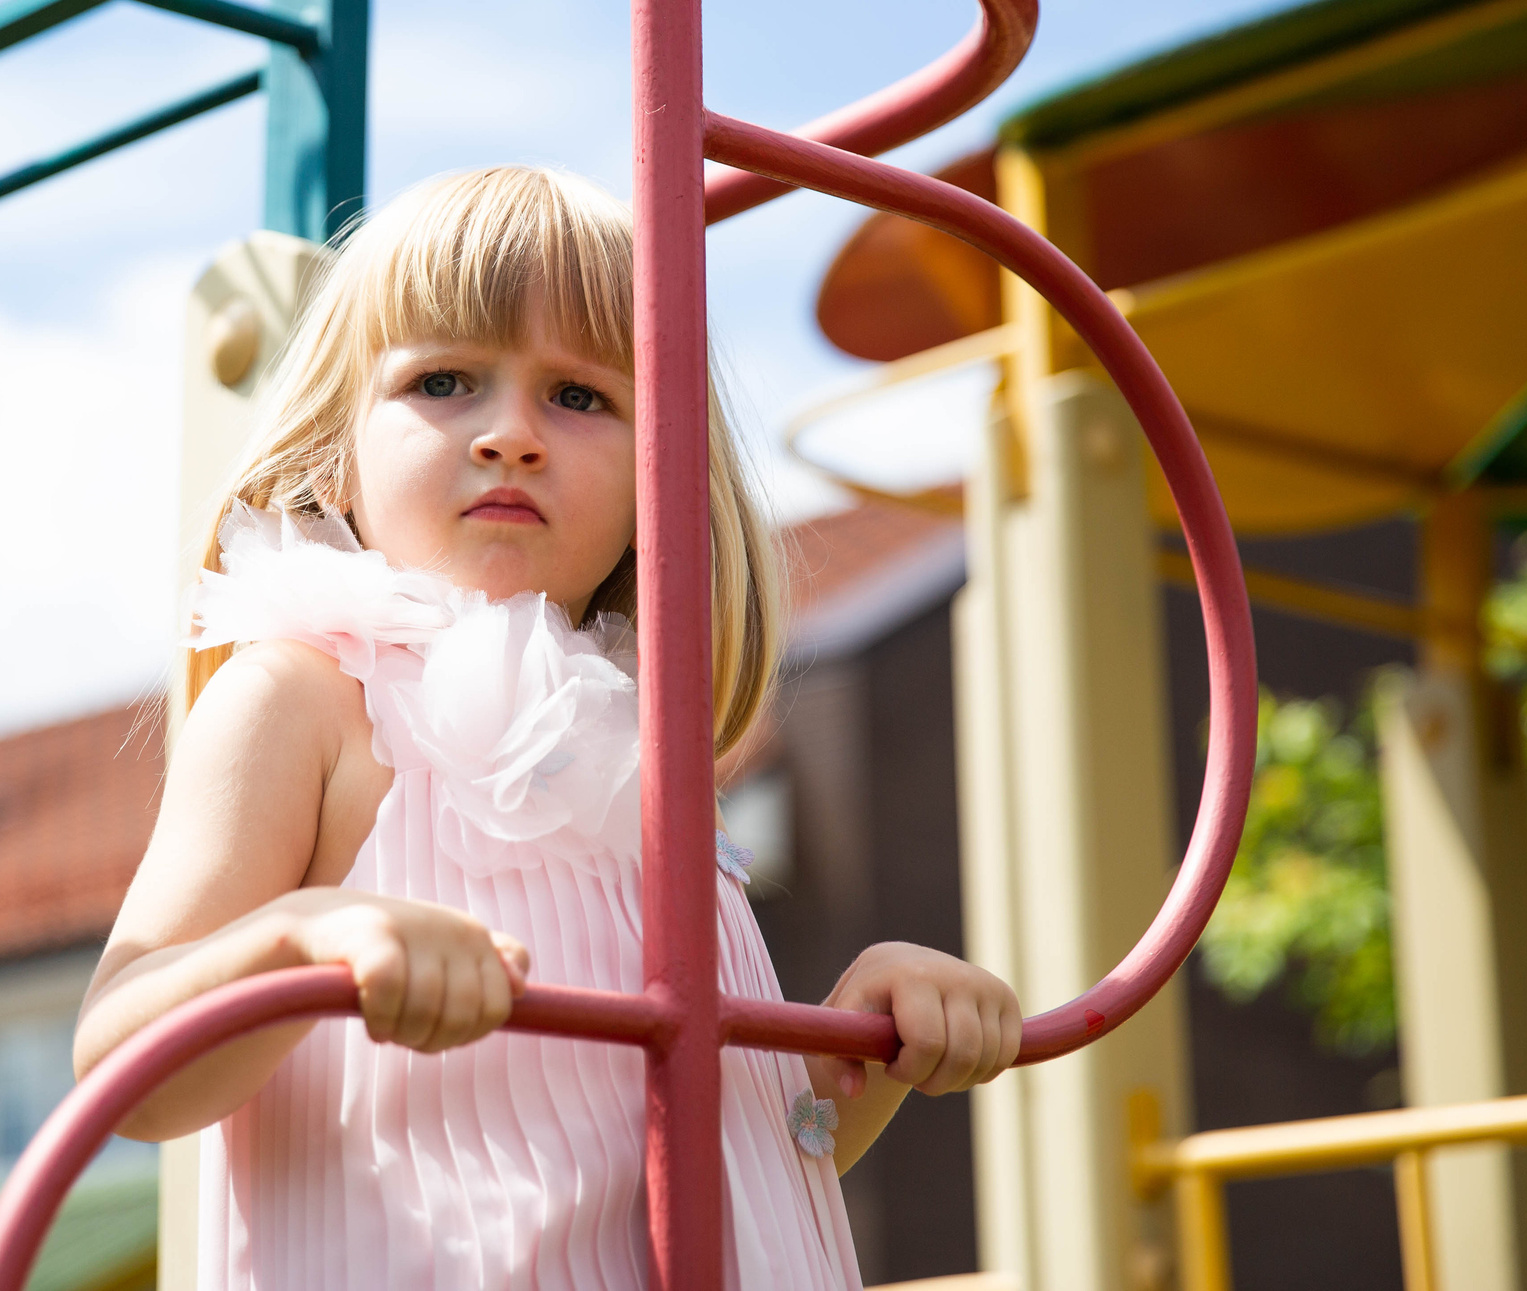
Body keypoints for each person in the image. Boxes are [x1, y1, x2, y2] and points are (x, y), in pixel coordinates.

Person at [76, 167, 1021, 1288]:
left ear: (655, 479)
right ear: (337, 443)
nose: (510, 435)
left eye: (577, 397)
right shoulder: (308, 700)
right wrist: (303, 944)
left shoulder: (638, 759)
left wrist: (860, 1052)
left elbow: (731, 1157)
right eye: (444, 381)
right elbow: (121, 1066)